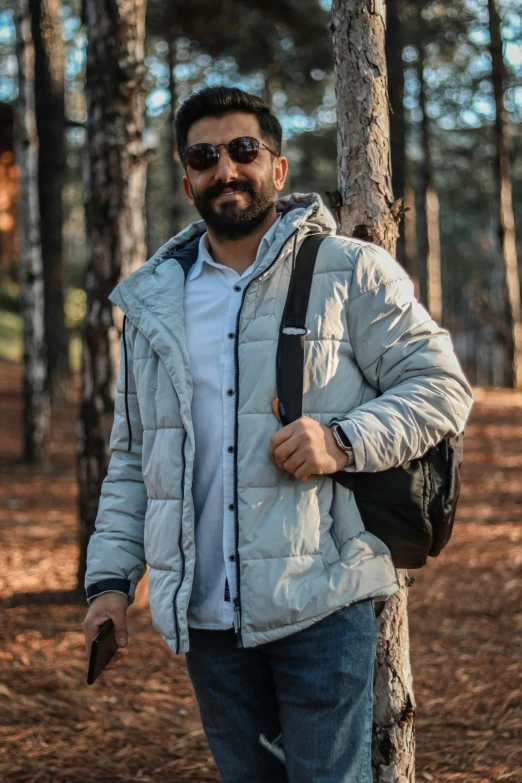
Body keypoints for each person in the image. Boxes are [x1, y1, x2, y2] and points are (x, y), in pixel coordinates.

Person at [83, 86, 473, 782]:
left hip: (321, 600)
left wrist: (343, 438)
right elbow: (135, 456)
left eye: (244, 150)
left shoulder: (349, 271)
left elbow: (443, 387)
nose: (226, 169)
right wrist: (110, 581)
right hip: (206, 618)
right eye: (206, 157)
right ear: (187, 179)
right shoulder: (152, 304)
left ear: (279, 168)